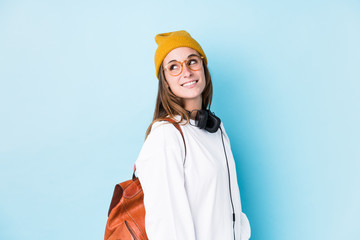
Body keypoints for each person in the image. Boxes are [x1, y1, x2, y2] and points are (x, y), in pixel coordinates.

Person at [135, 30, 251, 240]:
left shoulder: (215, 130)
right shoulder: (166, 137)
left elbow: (229, 209)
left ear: (203, 68)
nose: (186, 72)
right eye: (173, 67)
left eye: (192, 61)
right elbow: (167, 228)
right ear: (165, 81)